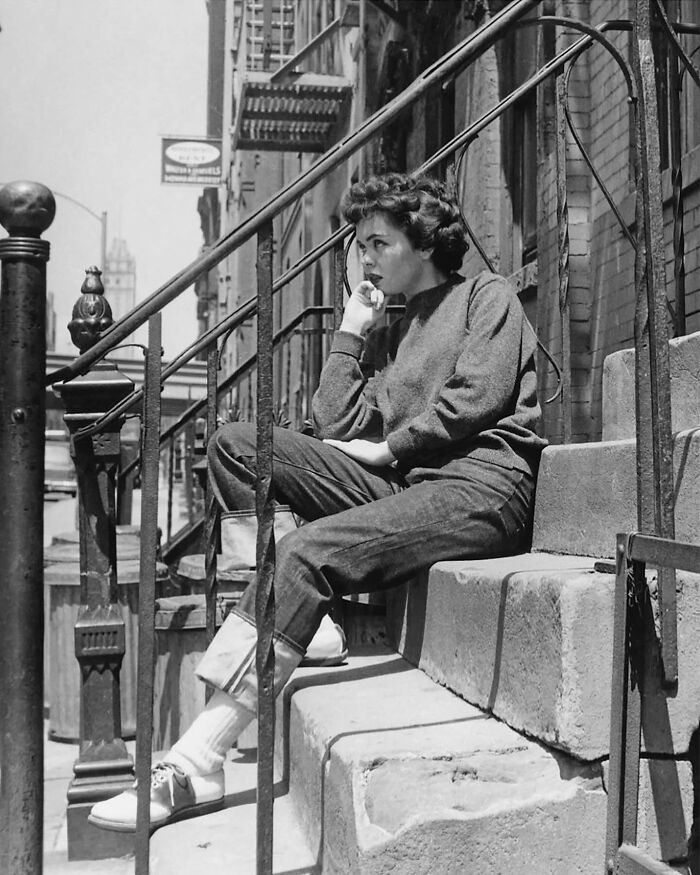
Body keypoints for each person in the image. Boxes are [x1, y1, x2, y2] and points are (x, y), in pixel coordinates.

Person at [89, 172, 547, 832]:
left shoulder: (488, 296)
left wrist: (390, 448)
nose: (363, 258)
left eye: (377, 243)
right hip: (412, 484)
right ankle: (313, 623)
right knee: (238, 446)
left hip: (483, 488)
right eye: (359, 245)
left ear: (423, 241)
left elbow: (474, 399)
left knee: (304, 553)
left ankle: (199, 759)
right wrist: (353, 332)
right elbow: (339, 425)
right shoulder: (396, 327)